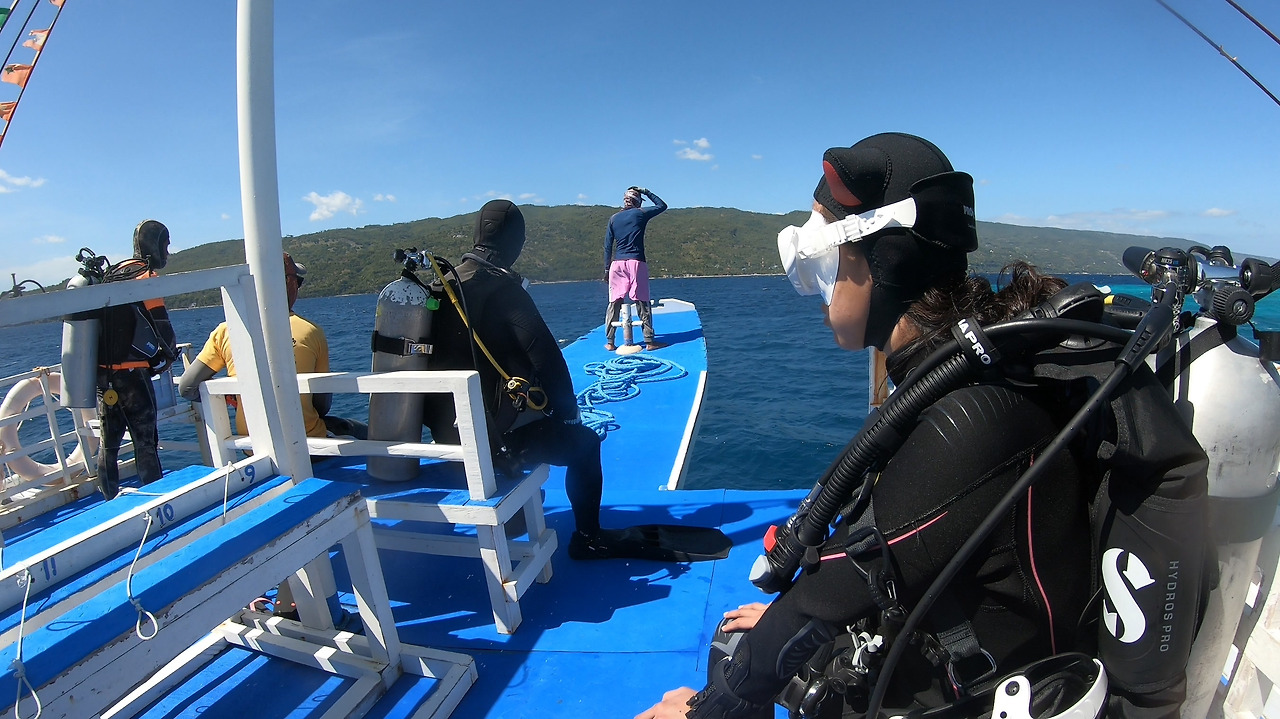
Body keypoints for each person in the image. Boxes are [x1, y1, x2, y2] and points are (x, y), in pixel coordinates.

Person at [637, 133, 1208, 718]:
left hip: (976, 699)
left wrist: (700, 710)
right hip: (942, 646)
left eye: (822, 261)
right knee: (745, 643)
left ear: (885, 259)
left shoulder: (969, 418)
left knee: (734, 664)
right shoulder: (966, 379)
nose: (815, 291)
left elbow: (828, 594)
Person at [423, 199, 727, 562]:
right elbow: (545, 357)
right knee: (585, 444)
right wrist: (568, 416)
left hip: (446, 439)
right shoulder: (503, 288)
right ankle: (589, 538)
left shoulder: (442, 286)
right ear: (516, 242)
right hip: (496, 443)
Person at [178, 252, 333, 439]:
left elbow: (187, 388)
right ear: (287, 284)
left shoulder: (226, 331)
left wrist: (229, 395)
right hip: (308, 442)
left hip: (253, 446)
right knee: (355, 431)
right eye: (297, 281)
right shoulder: (312, 332)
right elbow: (322, 406)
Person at [94, 219, 177, 500]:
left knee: (108, 445)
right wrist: (169, 355)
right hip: (134, 376)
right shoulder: (146, 277)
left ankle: (108, 499)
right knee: (145, 441)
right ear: (154, 245)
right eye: (165, 245)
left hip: (105, 376)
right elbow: (162, 327)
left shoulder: (113, 275)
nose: (167, 252)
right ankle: (157, 499)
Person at [604, 186, 667, 351]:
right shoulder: (640, 213)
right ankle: (649, 341)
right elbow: (662, 205)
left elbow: (608, 246)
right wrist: (646, 191)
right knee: (642, 301)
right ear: (638, 201)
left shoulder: (613, 218)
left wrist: (606, 270)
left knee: (614, 302)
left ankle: (610, 342)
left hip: (617, 264)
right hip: (636, 262)